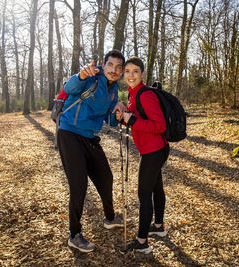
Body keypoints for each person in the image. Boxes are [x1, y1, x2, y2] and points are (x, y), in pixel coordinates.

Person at [58, 50, 126, 253]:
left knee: (106, 177)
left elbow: (111, 121)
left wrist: (119, 112)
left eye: (118, 67)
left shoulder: (114, 92)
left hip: (90, 137)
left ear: (121, 72)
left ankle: (110, 218)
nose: (113, 70)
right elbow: (69, 88)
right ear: (103, 66)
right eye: (110, 65)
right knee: (79, 184)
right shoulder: (90, 78)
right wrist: (81, 75)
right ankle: (74, 234)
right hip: (69, 133)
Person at [115, 56, 169, 254]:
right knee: (156, 187)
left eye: (135, 71)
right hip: (154, 149)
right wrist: (124, 118)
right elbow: (135, 120)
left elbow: (160, 125)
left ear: (142, 74)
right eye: (127, 71)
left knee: (144, 194)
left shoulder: (145, 94)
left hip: (154, 151)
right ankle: (159, 227)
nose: (131, 75)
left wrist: (133, 120)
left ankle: (142, 241)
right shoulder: (132, 94)